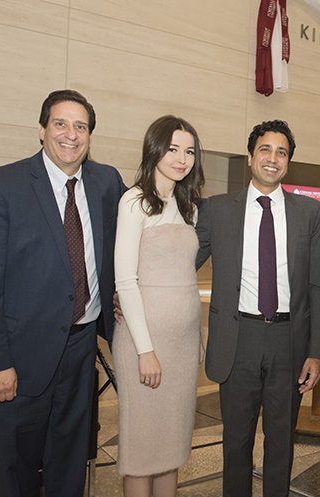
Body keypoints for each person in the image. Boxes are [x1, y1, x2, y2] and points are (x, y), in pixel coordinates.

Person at [0, 89, 126, 497]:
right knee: (17, 467)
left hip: (80, 350)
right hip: (18, 359)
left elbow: (136, 233)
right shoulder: (0, 186)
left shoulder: (106, 181)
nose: (71, 134)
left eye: (81, 126)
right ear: (42, 129)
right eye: (61, 123)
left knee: (71, 459)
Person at [194, 120, 320, 496]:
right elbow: (181, 262)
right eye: (265, 150)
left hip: (290, 341)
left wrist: (317, 352)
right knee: (236, 442)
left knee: (281, 442)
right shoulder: (218, 210)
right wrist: (132, 288)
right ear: (251, 155)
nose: (273, 159)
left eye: (281, 152)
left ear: (289, 161)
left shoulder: (308, 213)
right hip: (239, 340)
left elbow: (319, 285)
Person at [112, 116, 206, 496]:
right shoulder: (133, 201)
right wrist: (145, 350)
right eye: (172, 149)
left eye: (188, 151)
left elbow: (187, 278)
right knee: (142, 448)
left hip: (182, 346)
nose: (181, 158)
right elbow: (125, 281)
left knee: (172, 445)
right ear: (155, 149)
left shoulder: (188, 207)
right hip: (144, 342)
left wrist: (196, 336)